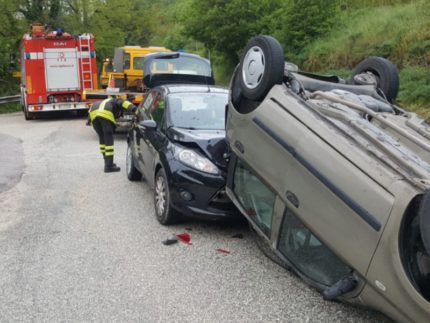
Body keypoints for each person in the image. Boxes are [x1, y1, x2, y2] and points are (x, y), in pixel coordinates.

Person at [88, 96, 136, 172]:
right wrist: (134, 109)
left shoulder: (105, 101)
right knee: (108, 140)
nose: (119, 116)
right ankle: (109, 166)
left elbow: (91, 111)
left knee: (102, 139)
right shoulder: (117, 100)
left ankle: (107, 162)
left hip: (93, 115)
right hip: (104, 114)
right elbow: (123, 103)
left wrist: (89, 121)